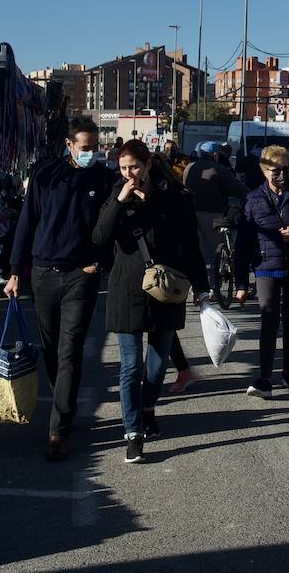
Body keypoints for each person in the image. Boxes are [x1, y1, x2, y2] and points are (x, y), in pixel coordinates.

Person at [92, 139, 210, 465]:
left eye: (134, 167)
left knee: (156, 366)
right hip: (126, 289)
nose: (129, 174)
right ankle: (133, 433)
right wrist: (119, 202)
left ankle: (146, 408)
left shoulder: (172, 196)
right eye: (123, 168)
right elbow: (99, 237)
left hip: (165, 290)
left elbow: (188, 245)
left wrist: (202, 289)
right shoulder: (116, 193)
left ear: (147, 165)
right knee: (131, 366)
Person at [5, 117, 112, 462]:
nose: (91, 153)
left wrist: (100, 261)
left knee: (70, 350)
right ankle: (64, 407)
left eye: (95, 147)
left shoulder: (102, 177)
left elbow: (111, 223)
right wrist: (14, 271)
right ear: (69, 145)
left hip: (82, 274)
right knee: (51, 349)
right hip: (43, 274)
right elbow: (27, 221)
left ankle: (57, 430)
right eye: (85, 148)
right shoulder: (45, 175)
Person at [235, 145, 289, 397]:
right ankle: (264, 378)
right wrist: (240, 283)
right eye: (274, 170)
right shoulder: (253, 199)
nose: (280, 174)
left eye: (285, 169)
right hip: (266, 267)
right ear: (263, 170)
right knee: (269, 319)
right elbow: (243, 242)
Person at [183, 141, 249, 295]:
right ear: (214, 154)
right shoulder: (219, 169)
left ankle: (196, 285)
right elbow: (237, 188)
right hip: (213, 215)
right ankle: (212, 286)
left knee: (196, 252)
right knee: (216, 251)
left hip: (191, 214)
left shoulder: (189, 168)